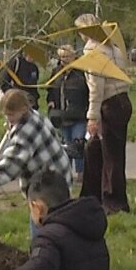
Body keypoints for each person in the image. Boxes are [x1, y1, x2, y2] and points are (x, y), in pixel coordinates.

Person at [0, 89, 72, 236]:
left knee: (43, 225)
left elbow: (13, 162)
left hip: (50, 185)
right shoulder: (33, 115)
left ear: (23, 109)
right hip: (58, 177)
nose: (8, 118)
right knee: (59, 222)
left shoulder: (28, 129)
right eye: (5, 115)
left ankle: (41, 246)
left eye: (11, 115)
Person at [77, 13, 132, 213]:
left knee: (110, 156)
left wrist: (93, 116)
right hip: (122, 99)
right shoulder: (113, 47)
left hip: (109, 102)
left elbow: (96, 86)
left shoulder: (93, 50)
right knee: (106, 152)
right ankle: (98, 194)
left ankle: (113, 201)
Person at [45, 44, 89, 184]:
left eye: (66, 56)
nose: (63, 59)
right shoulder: (57, 72)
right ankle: (66, 173)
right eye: (61, 57)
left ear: (73, 56)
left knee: (78, 145)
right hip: (61, 116)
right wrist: (51, 101)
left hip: (79, 115)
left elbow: (89, 91)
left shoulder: (81, 72)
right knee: (65, 146)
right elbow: (50, 89)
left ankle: (81, 173)